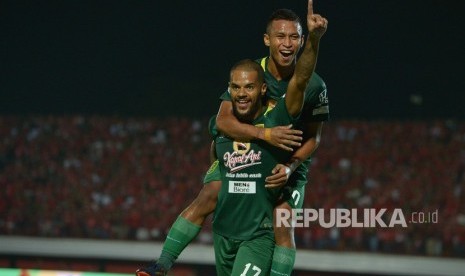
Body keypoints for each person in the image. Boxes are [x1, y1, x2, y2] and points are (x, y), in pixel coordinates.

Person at [136, 0, 329, 275]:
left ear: (301, 41)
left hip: (288, 158)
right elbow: (223, 121)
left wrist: (291, 167)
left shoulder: (314, 86)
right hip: (248, 146)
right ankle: (161, 264)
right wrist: (265, 134)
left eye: (294, 37)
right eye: (280, 36)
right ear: (267, 40)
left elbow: (314, 138)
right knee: (209, 194)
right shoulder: (250, 73)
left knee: (281, 222)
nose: (287, 44)